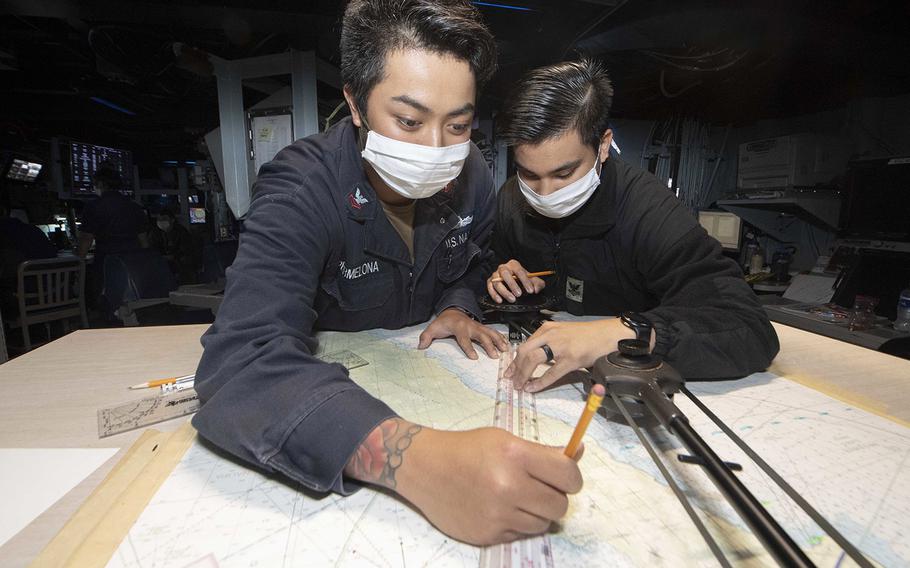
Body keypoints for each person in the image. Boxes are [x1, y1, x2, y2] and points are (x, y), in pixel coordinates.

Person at [191, 0, 582, 546]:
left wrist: (458, 304)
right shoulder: (303, 188)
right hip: (337, 401)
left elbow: (469, 263)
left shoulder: (471, 176)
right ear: (355, 104)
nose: (436, 150)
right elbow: (241, 361)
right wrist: (419, 463)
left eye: (459, 124)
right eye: (409, 121)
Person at [487, 58, 779, 391]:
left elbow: (749, 328)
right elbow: (484, 270)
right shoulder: (511, 198)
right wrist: (499, 278)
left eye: (564, 173)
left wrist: (627, 332)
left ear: (604, 146)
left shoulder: (647, 209)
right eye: (529, 174)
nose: (544, 193)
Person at [148, 209, 197, 284]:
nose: (161, 221)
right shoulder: (154, 233)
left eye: (164, 219)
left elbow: (186, 249)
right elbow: (152, 249)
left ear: (172, 220)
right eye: (159, 219)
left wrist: (174, 256)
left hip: (179, 263)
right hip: (161, 263)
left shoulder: (181, 232)